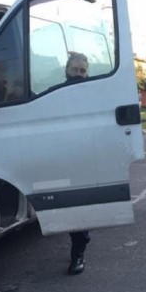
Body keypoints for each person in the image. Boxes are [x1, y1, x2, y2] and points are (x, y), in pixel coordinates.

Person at [64, 52, 91, 275]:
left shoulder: (93, 94)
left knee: (78, 210)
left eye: (83, 71)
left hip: (83, 159)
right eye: (75, 70)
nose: (80, 75)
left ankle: (78, 254)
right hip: (62, 157)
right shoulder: (57, 94)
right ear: (67, 71)